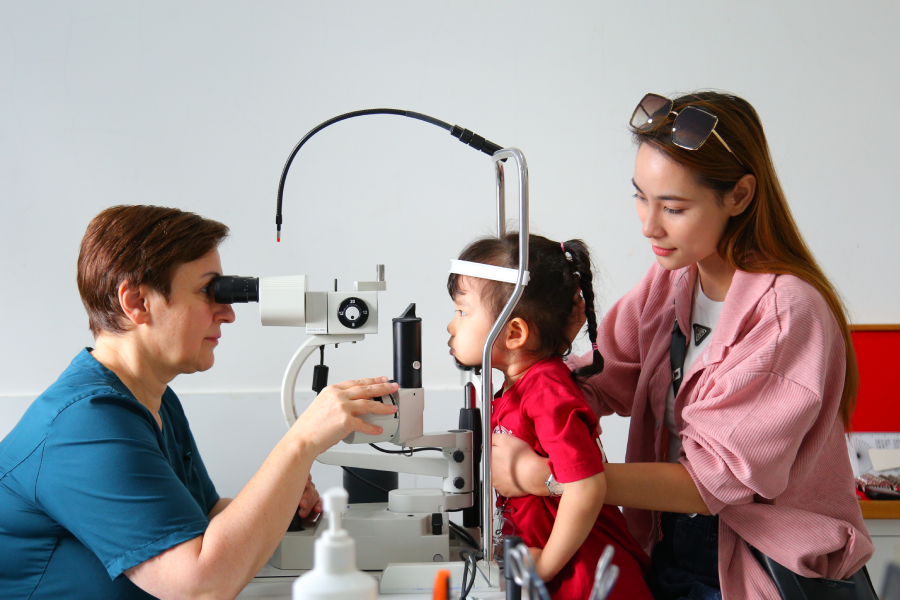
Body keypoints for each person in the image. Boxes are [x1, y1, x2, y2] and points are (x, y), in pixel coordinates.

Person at [490, 92, 874, 600]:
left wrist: (548, 475)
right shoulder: (672, 281)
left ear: (739, 195)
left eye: (673, 207)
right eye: (640, 197)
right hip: (667, 541)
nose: (649, 225)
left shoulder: (785, 314)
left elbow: (713, 481)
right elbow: (601, 379)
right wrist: (521, 379)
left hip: (754, 563)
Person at [0, 205, 399, 600]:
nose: (228, 314)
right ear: (137, 302)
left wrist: (281, 499)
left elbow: (204, 518)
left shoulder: (154, 399)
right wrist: (302, 442)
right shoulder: (86, 423)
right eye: (209, 291)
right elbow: (200, 586)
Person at [447, 233, 652, 600]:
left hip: (591, 581)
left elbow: (586, 486)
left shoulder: (546, 391)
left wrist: (544, 567)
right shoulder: (518, 387)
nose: (452, 325)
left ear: (514, 333)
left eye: (462, 312)